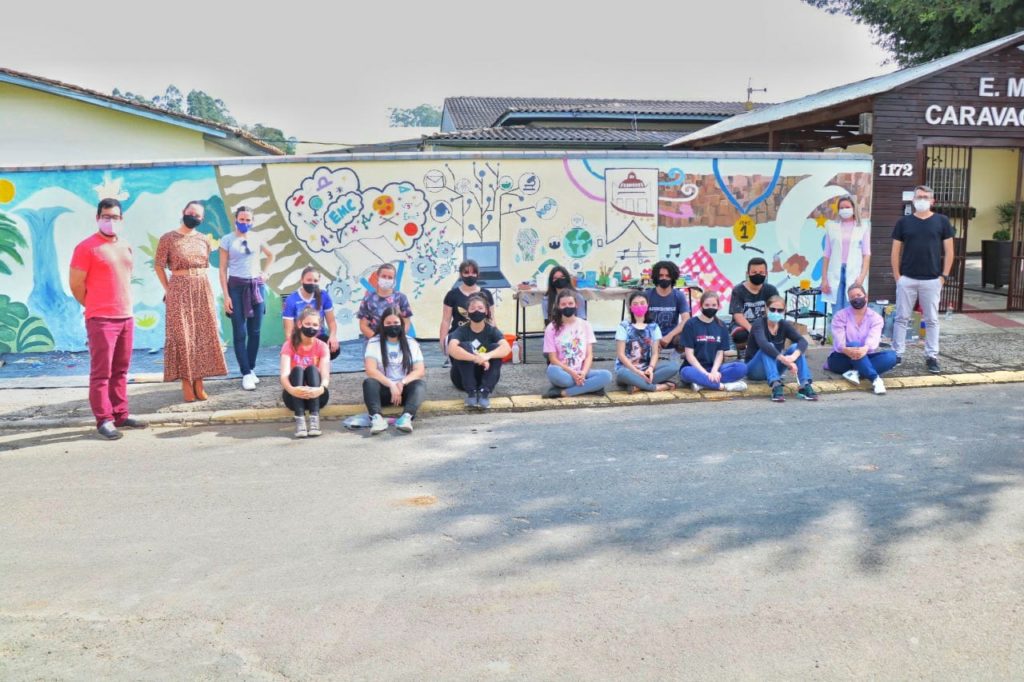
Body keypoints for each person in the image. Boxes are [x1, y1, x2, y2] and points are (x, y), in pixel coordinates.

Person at [69, 197, 147, 439]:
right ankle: (104, 419)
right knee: (101, 373)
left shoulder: (125, 246)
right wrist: (94, 304)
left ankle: (120, 414)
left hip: (126, 317)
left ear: (121, 219)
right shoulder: (86, 248)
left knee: (121, 370)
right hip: (101, 319)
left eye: (114, 217)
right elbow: (76, 285)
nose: (110, 221)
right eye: (106, 216)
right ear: (97, 218)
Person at [154, 200, 228, 402]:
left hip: (202, 289)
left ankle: (199, 382)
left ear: (202, 219)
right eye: (190, 213)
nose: (193, 217)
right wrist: (168, 289)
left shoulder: (204, 240)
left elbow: (205, 265)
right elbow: (159, 266)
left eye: (197, 215)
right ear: (183, 212)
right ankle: (186, 382)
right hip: (178, 289)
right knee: (182, 336)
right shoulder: (168, 238)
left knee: (202, 335)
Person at [891, 184, 954, 374]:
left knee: (932, 319)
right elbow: (895, 251)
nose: (922, 200)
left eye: (926, 197)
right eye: (919, 197)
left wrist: (943, 276)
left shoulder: (942, 221)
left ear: (932, 200)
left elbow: (950, 251)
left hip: (932, 279)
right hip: (907, 278)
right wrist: (897, 277)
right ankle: (896, 354)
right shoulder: (903, 222)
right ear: (913, 200)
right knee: (901, 318)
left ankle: (931, 356)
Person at [219, 205, 274, 391]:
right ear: (236, 220)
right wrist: (226, 295)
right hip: (236, 287)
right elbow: (222, 269)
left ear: (252, 221)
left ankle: (250, 369)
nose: (244, 222)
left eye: (248, 220)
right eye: (241, 219)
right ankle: (245, 373)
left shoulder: (257, 237)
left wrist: (266, 273)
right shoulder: (227, 240)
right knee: (240, 332)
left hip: (256, 287)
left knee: (255, 331)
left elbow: (271, 255)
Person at [826, 284, 898, 395]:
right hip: (841, 358)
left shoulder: (876, 318)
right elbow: (840, 343)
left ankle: (856, 372)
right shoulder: (840, 316)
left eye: (859, 295)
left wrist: (865, 349)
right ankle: (875, 379)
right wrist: (847, 349)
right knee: (854, 344)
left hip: (865, 355)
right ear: (849, 300)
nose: (856, 299)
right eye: (852, 297)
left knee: (892, 357)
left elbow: (873, 340)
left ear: (866, 297)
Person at [364, 307, 427, 434]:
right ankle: (377, 418)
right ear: (382, 324)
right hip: (384, 390)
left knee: (420, 384)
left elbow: (420, 370)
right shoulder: (374, 342)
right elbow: (370, 370)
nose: (392, 326)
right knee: (369, 383)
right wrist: (391, 385)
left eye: (396, 323)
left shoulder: (411, 343)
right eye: (388, 323)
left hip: (404, 391)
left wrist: (402, 383)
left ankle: (406, 418)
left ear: (401, 324)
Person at [744, 295, 817, 402]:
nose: (776, 312)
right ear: (766, 308)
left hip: (774, 366)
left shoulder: (784, 324)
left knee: (795, 347)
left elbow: (803, 341)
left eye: (780, 310)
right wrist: (785, 360)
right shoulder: (759, 324)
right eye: (772, 309)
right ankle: (776, 385)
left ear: (784, 311)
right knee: (769, 346)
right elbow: (763, 344)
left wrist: (793, 357)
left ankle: (804, 384)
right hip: (754, 370)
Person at [543, 290, 612, 398]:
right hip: (563, 372)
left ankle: (564, 392)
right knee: (552, 371)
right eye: (563, 304)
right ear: (558, 306)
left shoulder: (585, 325)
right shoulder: (551, 328)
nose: (567, 306)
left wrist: (583, 373)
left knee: (606, 376)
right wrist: (572, 373)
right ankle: (591, 387)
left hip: (581, 371)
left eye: (570, 303)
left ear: (576, 304)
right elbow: (553, 359)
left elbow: (589, 355)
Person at [447, 293, 510, 409]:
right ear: (468, 312)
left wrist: (487, 356)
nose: (476, 311)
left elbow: (506, 348)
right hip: (461, 378)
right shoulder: (461, 330)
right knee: (464, 346)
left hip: (483, 375)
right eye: (472, 308)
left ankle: (484, 393)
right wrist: (476, 358)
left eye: (480, 308)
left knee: (496, 347)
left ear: (486, 311)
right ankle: (471, 392)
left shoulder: (491, 330)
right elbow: (451, 348)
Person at [678, 290, 748, 392]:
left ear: (718, 307)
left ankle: (703, 384)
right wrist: (705, 374)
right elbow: (689, 355)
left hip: (714, 368)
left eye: (714, 305)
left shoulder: (721, 326)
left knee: (742, 368)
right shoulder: (691, 324)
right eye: (707, 305)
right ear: (701, 306)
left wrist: (714, 371)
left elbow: (720, 353)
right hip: (694, 368)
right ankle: (723, 386)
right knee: (686, 372)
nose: (710, 308)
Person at [280, 307, 331, 438]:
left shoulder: (322, 346)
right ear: (299, 324)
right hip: (293, 397)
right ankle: (300, 420)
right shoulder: (289, 345)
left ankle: (315, 420)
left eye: (315, 325)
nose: (311, 327)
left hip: (317, 396)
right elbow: (284, 375)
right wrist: (292, 390)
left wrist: (320, 389)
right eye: (307, 324)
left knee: (312, 369)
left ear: (319, 327)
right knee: (297, 369)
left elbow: (325, 376)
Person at [614, 292, 676, 393]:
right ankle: (655, 387)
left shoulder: (653, 327)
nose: (639, 306)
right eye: (635, 304)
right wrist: (637, 371)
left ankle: (638, 385)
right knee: (622, 374)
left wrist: (650, 369)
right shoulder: (624, 326)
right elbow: (621, 354)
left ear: (647, 305)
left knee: (673, 367)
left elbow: (655, 353)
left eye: (642, 303)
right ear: (630, 307)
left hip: (646, 369)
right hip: (628, 370)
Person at [439, 259, 494, 366]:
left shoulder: (486, 294)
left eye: (473, 272)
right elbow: (446, 320)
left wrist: (496, 337)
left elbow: (491, 319)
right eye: (466, 272)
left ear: (478, 274)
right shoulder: (452, 295)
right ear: (461, 274)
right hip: (458, 338)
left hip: (481, 336)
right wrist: (443, 340)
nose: (470, 275)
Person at [821, 196, 870, 313]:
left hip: (854, 271)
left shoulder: (863, 227)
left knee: (853, 306)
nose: (844, 210)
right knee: (837, 309)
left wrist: (862, 276)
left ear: (853, 208)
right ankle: (837, 326)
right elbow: (827, 254)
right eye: (841, 208)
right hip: (836, 271)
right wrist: (824, 279)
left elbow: (866, 254)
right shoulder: (831, 227)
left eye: (847, 207)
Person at [282, 266, 340, 360]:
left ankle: (321, 364)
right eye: (309, 280)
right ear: (302, 280)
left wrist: (333, 336)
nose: (312, 283)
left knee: (334, 349)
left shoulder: (324, 296)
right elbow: (288, 330)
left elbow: (331, 321)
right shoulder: (291, 299)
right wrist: (292, 346)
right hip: (300, 338)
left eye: (315, 280)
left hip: (318, 337)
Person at [728, 257, 779, 347]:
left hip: (763, 324)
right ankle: (743, 351)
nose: (758, 275)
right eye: (754, 272)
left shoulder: (771, 290)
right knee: (740, 335)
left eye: (761, 272)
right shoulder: (738, 290)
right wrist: (752, 330)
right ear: (747, 273)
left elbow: (777, 310)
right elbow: (738, 316)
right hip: (743, 326)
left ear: (766, 273)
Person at [357, 262, 413, 339]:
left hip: (396, 341)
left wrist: (396, 339)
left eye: (390, 277)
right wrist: (379, 340)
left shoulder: (401, 298)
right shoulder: (368, 298)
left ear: (394, 280)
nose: (386, 280)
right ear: (378, 277)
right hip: (374, 341)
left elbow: (406, 323)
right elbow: (363, 325)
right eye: (384, 276)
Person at [644, 259, 690, 351]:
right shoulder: (647, 295)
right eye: (661, 275)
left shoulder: (679, 295)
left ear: (673, 277)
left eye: (668, 276)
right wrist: (652, 339)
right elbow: (639, 320)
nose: (664, 278)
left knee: (686, 337)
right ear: (656, 277)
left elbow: (686, 319)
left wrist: (670, 335)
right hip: (650, 336)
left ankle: (681, 359)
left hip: (671, 338)